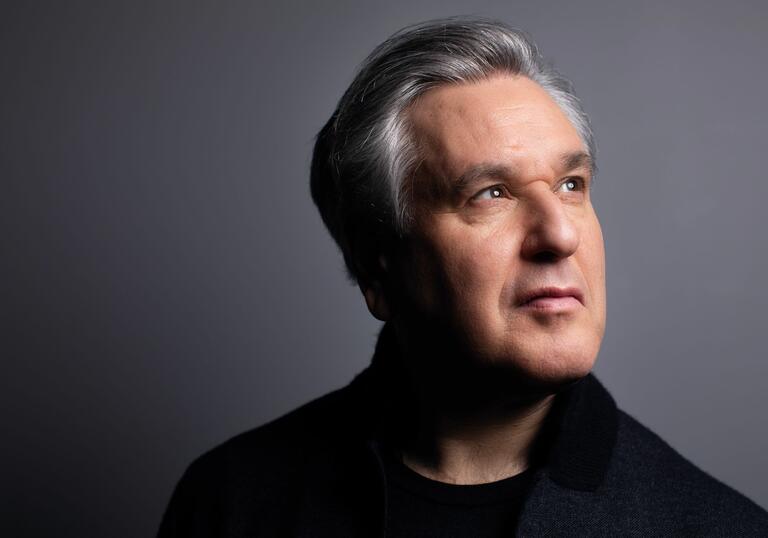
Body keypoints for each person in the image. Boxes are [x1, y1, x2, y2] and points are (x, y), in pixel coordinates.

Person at [158, 18, 768, 537]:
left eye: (571, 185)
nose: (561, 234)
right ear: (379, 265)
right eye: (491, 193)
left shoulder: (718, 527)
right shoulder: (230, 503)